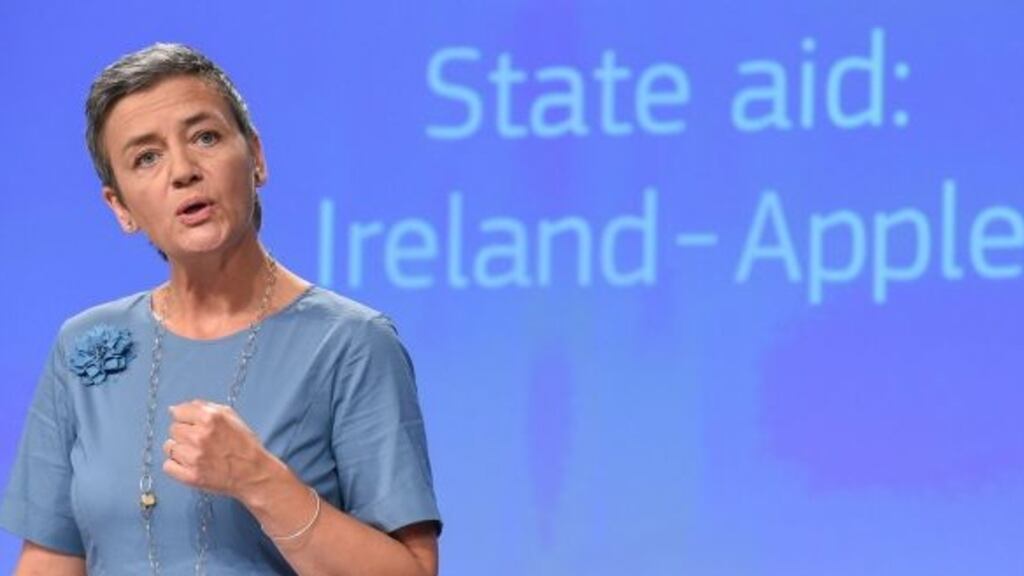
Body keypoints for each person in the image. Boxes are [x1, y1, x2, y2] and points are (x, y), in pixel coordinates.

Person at [0, 43, 442, 575]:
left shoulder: (351, 342)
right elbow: (50, 559)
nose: (183, 170)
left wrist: (261, 482)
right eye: (147, 157)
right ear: (120, 207)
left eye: (205, 137)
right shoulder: (83, 345)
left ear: (256, 157)